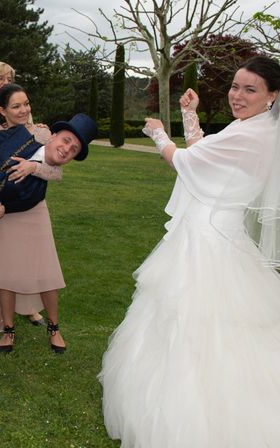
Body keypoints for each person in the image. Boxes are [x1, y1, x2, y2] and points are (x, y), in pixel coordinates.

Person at [100, 56, 280, 447]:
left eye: (250, 89)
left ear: (273, 96)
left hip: (207, 240)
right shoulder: (258, 129)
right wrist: (190, 114)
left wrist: (159, 135)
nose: (237, 95)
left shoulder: (249, 133)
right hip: (219, 235)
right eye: (235, 86)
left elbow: (185, 162)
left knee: (192, 325)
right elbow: (205, 156)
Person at [0, 83, 79, 353]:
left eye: (26, 104)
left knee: (46, 270)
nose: (23, 110)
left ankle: (54, 327)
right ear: (2, 109)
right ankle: (8, 329)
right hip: (3, 215)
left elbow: (58, 173)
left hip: (35, 212)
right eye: (16, 106)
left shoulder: (41, 133)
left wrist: (35, 167)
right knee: (5, 272)